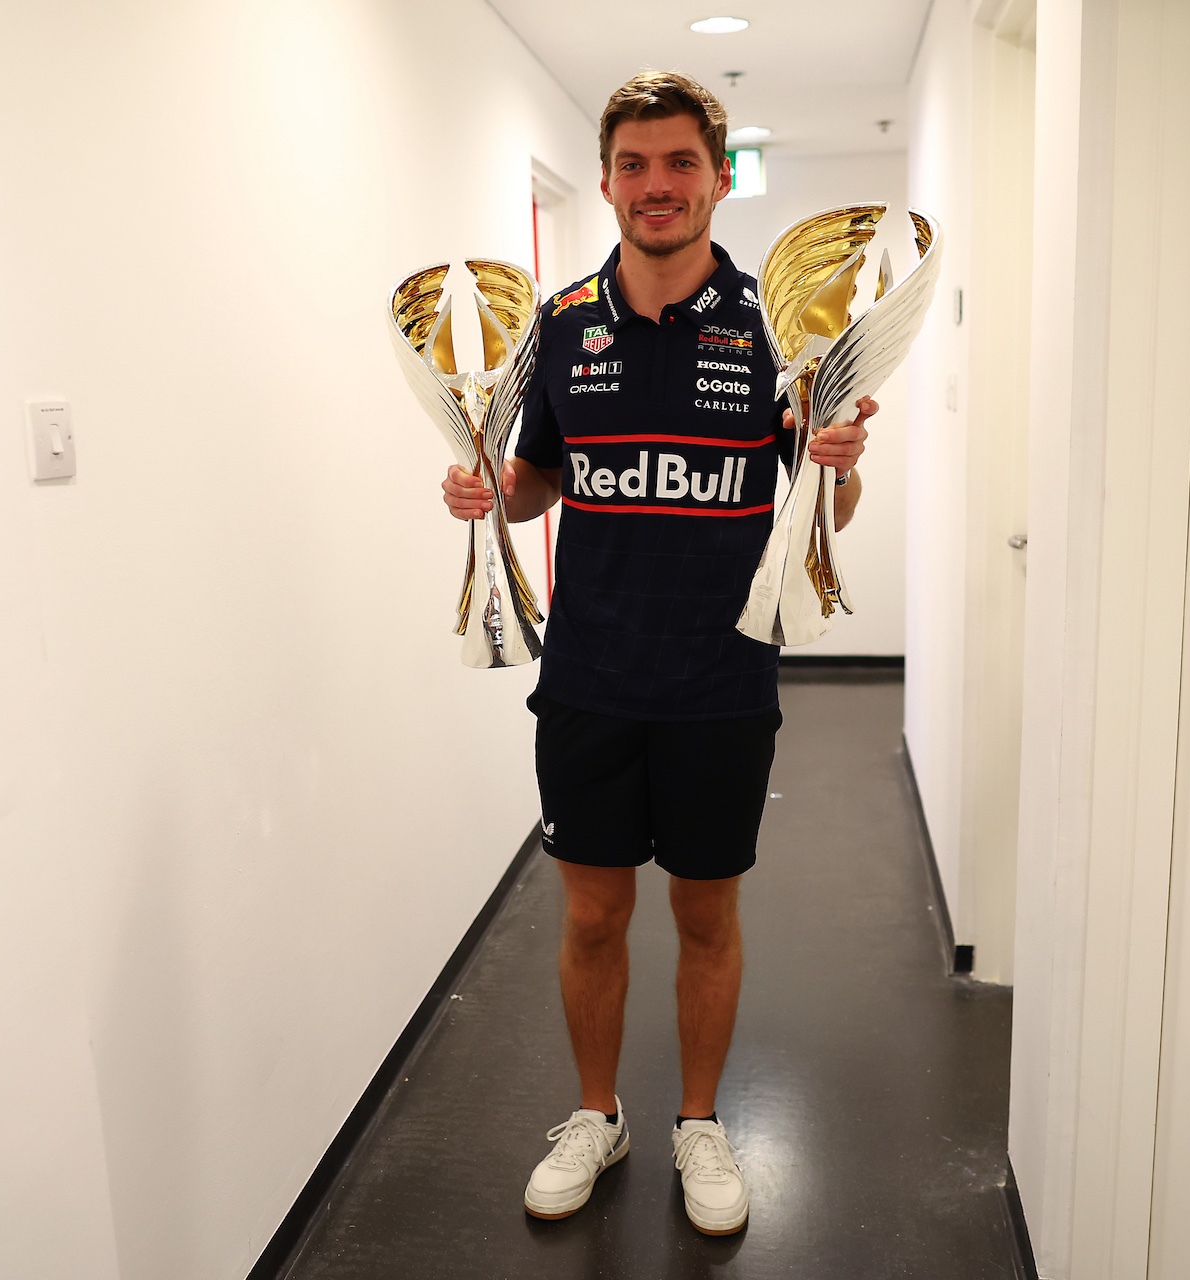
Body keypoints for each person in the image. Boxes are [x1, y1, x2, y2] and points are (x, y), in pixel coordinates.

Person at [439, 70, 875, 1237]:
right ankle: (597, 1113)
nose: (657, 186)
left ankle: (696, 1118)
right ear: (606, 180)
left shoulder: (776, 331)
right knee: (589, 916)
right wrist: (488, 484)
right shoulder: (561, 323)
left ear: (720, 177)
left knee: (704, 915)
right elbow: (539, 484)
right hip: (588, 677)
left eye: (681, 162)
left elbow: (827, 512)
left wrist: (838, 460)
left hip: (722, 683)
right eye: (635, 164)